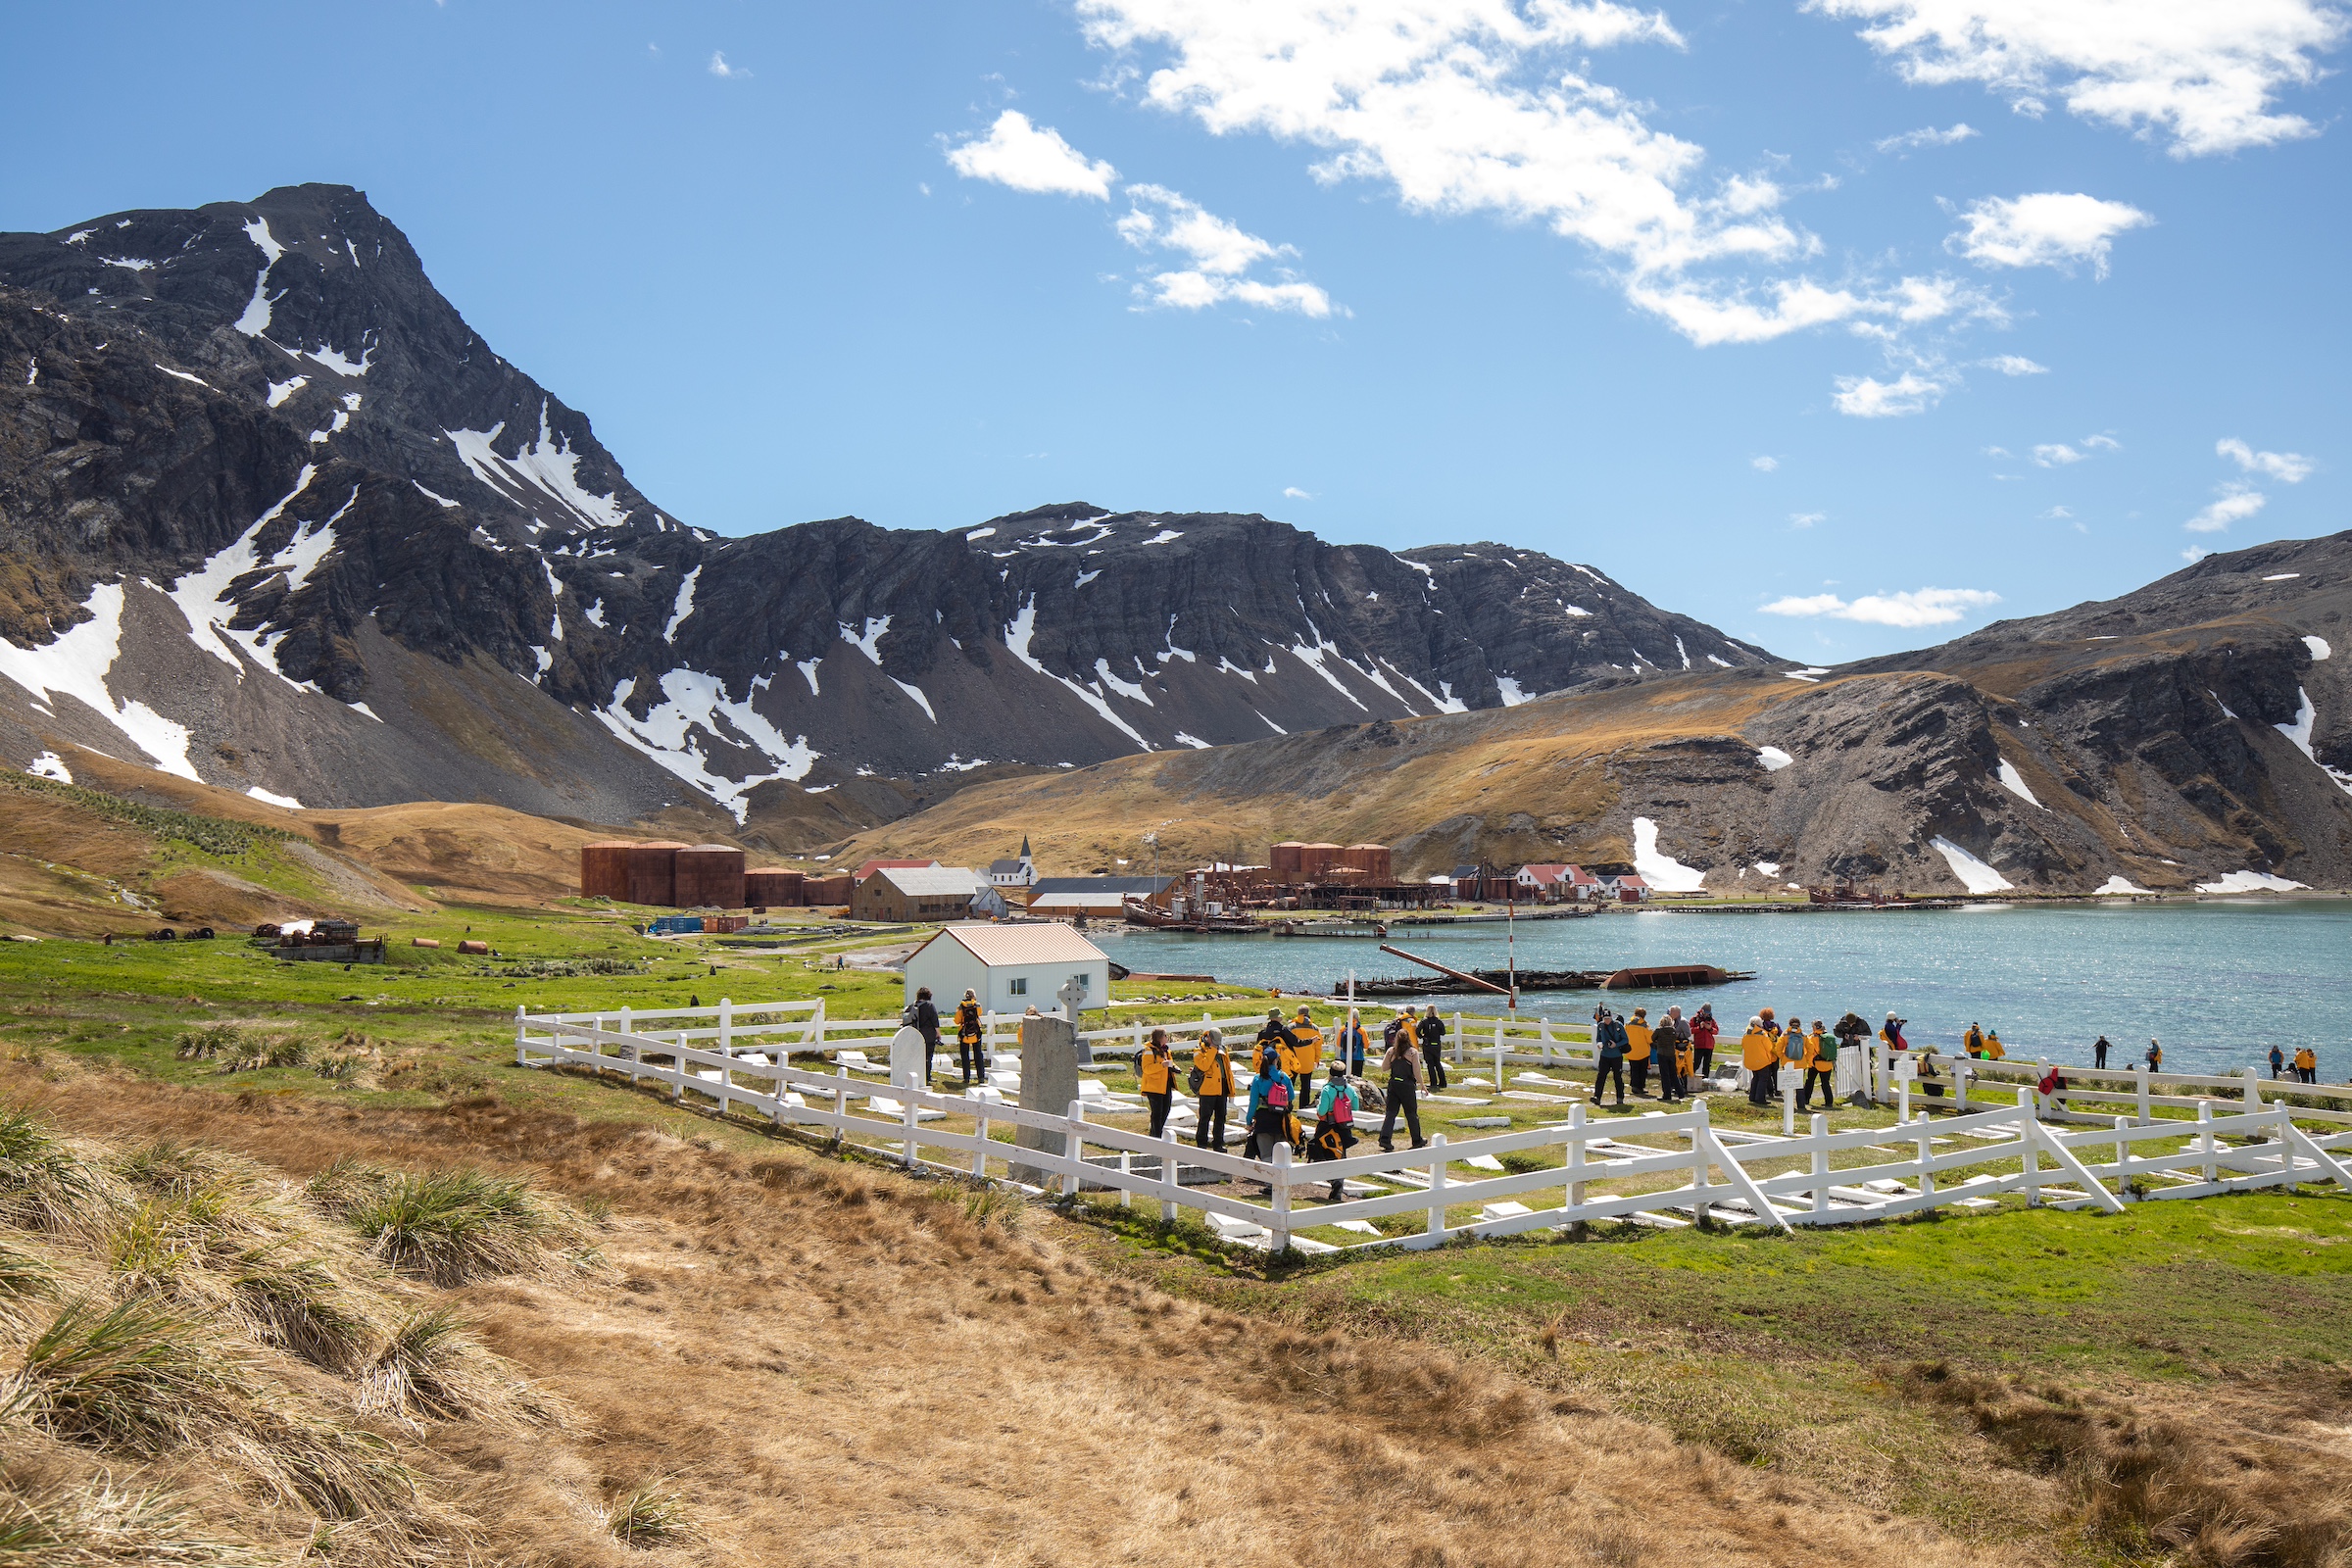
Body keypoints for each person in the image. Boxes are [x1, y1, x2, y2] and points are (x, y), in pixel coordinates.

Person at [1308, 1073, 1361, 1200]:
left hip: (1327, 1129)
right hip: (1343, 1128)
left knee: (1319, 1156)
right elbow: (1356, 1107)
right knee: (1340, 1157)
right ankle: (1338, 1192)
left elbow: (1321, 1111)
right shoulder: (1349, 1089)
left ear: (1330, 1073)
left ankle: (1333, 1181)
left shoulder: (1327, 1089)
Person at [1378, 1022, 1427, 1151]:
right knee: (1411, 1114)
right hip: (1407, 1086)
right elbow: (1417, 1071)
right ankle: (1417, 1140)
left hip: (1394, 1084)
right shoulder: (1412, 1053)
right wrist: (1422, 1085)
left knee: (1391, 1113)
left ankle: (1385, 1139)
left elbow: (1384, 1068)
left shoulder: (1391, 1051)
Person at [1192, 1028, 1236, 1152]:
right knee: (1205, 1117)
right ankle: (1201, 1143)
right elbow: (1204, 1066)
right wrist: (1212, 1050)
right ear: (1208, 1038)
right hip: (1207, 1089)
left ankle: (1218, 1143)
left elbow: (1227, 1069)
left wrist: (1230, 1088)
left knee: (1221, 1117)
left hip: (1222, 1087)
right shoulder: (1198, 1050)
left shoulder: (1222, 1049)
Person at [1138, 1027, 1178, 1139]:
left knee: (1165, 1110)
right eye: (1165, 1036)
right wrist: (1162, 1066)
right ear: (1160, 1037)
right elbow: (1147, 1069)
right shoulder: (1149, 1051)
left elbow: (1170, 1063)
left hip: (1165, 1086)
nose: (1167, 1038)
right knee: (1157, 1113)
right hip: (1153, 1087)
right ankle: (1156, 1137)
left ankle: (1154, 1135)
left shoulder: (1165, 1050)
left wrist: (1174, 1067)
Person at [1284, 1006, 1325, 1103]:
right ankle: (1304, 1107)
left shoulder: (1291, 1027)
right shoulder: (1314, 1028)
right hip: (1308, 1060)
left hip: (1293, 1061)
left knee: (1289, 1084)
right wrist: (1317, 1059)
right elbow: (1318, 1045)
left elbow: (1285, 1044)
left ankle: (1287, 1104)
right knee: (1306, 1086)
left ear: (1298, 1013)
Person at [1797, 1019, 1838, 1111]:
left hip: (1816, 1063)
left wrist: (1810, 1063)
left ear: (1814, 1027)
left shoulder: (1813, 1038)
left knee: (1810, 1081)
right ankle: (1829, 1102)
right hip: (1827, 1063)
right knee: (1825, 1083)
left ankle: (1806, 1099)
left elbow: (1810, 1051)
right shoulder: (1828, 1037)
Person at [1593, 1011, 1629, 1106]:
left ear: (1611, 1017)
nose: (1607, 1021)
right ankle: (1597, 1097)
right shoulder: (1600, 1026)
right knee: (1601, 1076)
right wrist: (1599, 1043)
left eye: (1608, 1018)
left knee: (1617, 1077)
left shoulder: (1618, 1025)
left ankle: (1620, 1098)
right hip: (1605, 1055)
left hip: (1616, 1056)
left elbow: (1626, 1039)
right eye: (1605, 1019)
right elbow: (1598, 1038)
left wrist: (1616, 1044)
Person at [1657, 1006, 1691, 1102]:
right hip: (1673, 1050)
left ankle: (1679, 1090)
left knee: (1680, 1069)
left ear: (1676, 1013)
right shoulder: (1673, 1023)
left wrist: (1676, 1034)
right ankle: (1679, 1091)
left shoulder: (1683, 1022)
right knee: (1674, 1072)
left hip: (1681, 1047)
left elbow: (1688, 1034)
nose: (1669, 1013)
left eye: (1671, 1012)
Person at [1740, 1016, 1777, 1106]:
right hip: (1762, 1060)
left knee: (1756, 1077)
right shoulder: (1762, 1034)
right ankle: (1760, 1098)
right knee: (1763, 1079)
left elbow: (1743, 1045)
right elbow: (1769, 1047)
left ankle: (1752, 1096)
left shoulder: (1746, 1034)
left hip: (1751, 1060)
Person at [955, 990, 987, 1088]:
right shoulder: (977, 1005)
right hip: (976, 1034)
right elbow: (980, 1014)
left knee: (965, 1056)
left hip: (964, 1035)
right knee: (978, 1054)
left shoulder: (961, 1006)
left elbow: (957, 1021)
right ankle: (981, 1077)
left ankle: (966, 1078)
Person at [911, 986, 941, 1084]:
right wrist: (938, 1034)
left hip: (915, 1035)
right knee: (928, 1057)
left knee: (917, 1056)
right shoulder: (929, 1006)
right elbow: (935, 1021)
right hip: (928, 1036)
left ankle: (917, 1074)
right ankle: (927, 1076)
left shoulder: (913, 1005)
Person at [1418, 1005, 1449, 1091]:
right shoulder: (1439, 1022)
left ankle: (1433, 1083)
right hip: (1436, 1044)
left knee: (1430, 1064)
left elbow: (1417, 1031)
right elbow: (1443, 1032)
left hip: (1428, 1045)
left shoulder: (1424, 1021)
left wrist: (1422, 1036)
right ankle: (1443, 1082)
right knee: (1437, 1063)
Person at [1627, 1007, 1654, 1097]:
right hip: (1643, 1052)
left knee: (1633, 1069)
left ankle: (1634, 1086)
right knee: (1642, 1071)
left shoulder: (1628, 1024)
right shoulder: (1645, 1025)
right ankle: (1640, 1087)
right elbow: (1650, 1039)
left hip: (1631, 1051)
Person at [1337, 1009, 1369, 1079]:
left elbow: (1338, 1044)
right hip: (1358, 1058)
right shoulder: (1361, 1030)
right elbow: (1366, 1045)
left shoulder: (1343, 1029)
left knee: (1344, 1079)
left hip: (1344, 1057)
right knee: (1357, 1080)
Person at [1690, 1004, 1719, 1080]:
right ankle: (1689, 1078)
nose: (1706, 1014)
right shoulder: (1695, 1019)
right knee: (1696, 1063)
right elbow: (1690, 1030)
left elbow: (1716, 1031)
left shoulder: (1711, 1019)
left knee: (1707, 1064)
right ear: (1702, 1010)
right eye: (1705, 1012)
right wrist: (1699, 1027)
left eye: (1708, 1012)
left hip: (1709, 1045)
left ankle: (1705, 1080)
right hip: (1699, 1045)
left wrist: (1710, 1028)